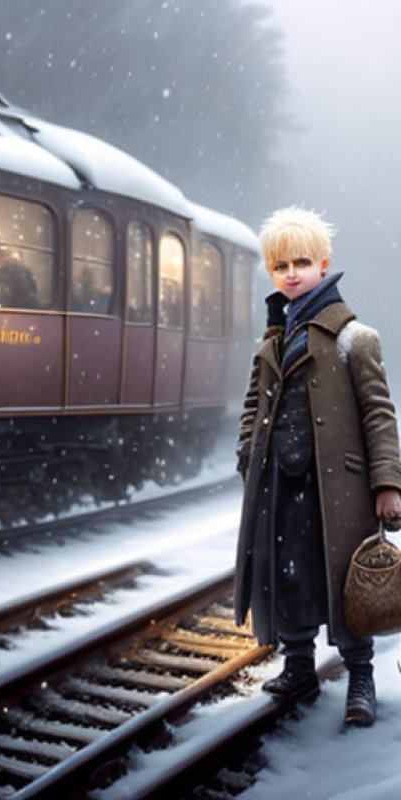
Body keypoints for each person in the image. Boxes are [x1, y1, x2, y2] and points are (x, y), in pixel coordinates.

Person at [234, 206, 401, 728]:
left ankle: (361, 678)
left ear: (323, 266)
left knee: (350, 585)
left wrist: (387, 484)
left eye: (301, 262)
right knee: (288, 577)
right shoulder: (272, 340)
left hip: (341, 490)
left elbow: (379, 415)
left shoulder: (355, 338)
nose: (290, 273)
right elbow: (252, 407)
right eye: (280, 265)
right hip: (282, 485)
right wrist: (248, 454)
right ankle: (300, 665)